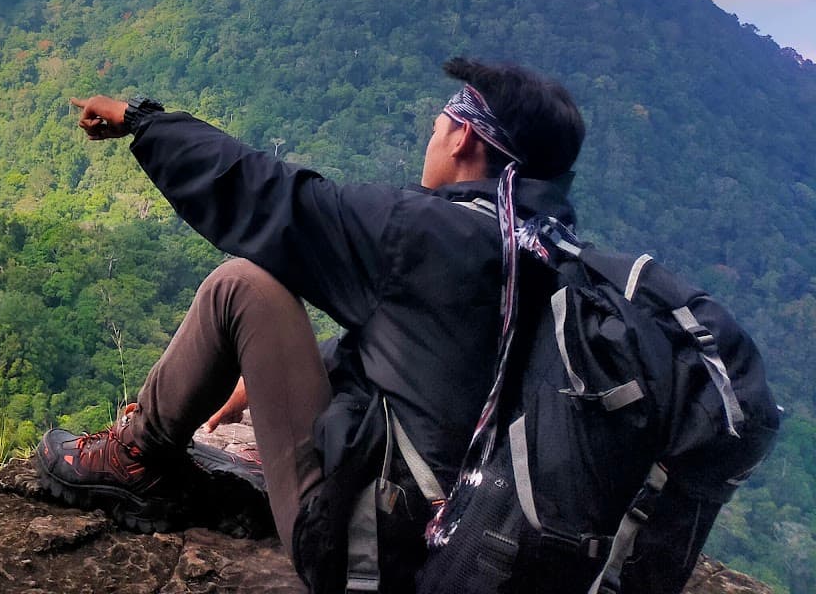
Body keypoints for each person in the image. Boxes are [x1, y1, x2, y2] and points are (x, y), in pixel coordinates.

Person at [33, 57, 586, 572]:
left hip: (372, 549)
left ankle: (136, 458)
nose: (433, 135)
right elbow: (430, 368)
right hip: (475, 541)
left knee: (241, 285)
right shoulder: (553, 254)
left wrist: (141, 120)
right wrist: (267, 380)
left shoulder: (426, 234)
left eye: (439, 124)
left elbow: (268, 195)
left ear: (463, 136)